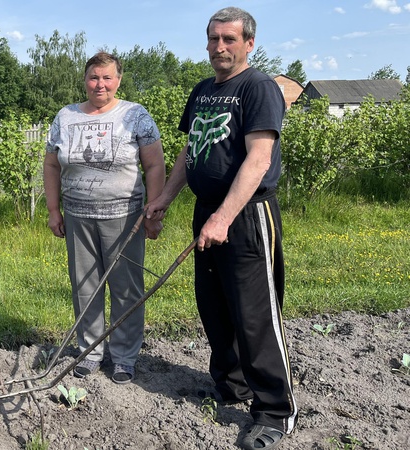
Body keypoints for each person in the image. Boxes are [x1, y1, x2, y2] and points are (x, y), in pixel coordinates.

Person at [144, 7, 298, 450]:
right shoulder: (203, 90)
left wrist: (224, 216)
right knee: (214, 307)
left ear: (249, 43)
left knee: (255, 314)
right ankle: (231, 386)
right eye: (213, 39)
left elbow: (259, 160)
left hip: (246, 216)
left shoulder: (259, 88)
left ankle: (275, 411)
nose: (219, 47)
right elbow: (190, 150)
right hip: (208, 211)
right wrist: (164, 199)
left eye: (229, 39)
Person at [44, 51, 166, 385]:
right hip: (78, 217)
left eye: (107, 77)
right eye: (94, 77)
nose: (100, 84)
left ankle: (125, 357)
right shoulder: (65, 117)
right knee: (85, 288)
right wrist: (54, 210)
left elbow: (155, 165)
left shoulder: (135, 115)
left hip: (125, 217)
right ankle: (90, 351)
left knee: (126, 289)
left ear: (118, 80)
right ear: (85, 80)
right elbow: (52, 165)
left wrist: (154, 210)